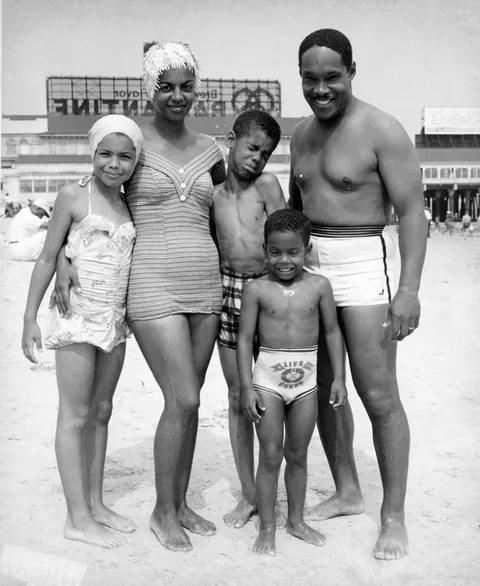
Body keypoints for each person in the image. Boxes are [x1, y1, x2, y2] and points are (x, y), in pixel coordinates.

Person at [55, 41, 227, 553]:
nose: (177, 95)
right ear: (149, 88)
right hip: (152, 284)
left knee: (191, 405)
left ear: (197, 88)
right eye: (166, 86)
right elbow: (88, 194)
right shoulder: (131, 141)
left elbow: (231, 208)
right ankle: (161, 509)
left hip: (207, 284)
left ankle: (180, 502)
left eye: (186, 86)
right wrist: (66, 252)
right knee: (185, 397)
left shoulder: (212, 151)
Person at [289, 29, 427, 561]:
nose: (320, 88)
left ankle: (392, 516)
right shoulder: (300, 135)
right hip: (311, 266)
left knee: (378, 394)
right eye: (310, 78)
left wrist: (409, 290)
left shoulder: (381, 129)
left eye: (331, 77)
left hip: (365, 262)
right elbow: (293, 210)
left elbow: (413, 213)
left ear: (351, 70)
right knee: (324, 387)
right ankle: (347, 490)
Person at [21, 115, 144, 548]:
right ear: (91, 152)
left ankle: (95, 504)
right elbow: (46, 255)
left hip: (114, 322)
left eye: (125, 155)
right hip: (75, 317)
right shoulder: (73, 195)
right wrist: (29, 316)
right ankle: (76, 518)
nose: (115, 163)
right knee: (74, 416)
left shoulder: (133, 202)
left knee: (102, 410)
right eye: (105, 154)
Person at [237, 209, 347, 556]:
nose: (283, 260)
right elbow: (243, 340)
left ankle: (296, 520)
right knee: (270, 455)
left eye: (293, 252)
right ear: (264, 248)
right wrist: (246, 386)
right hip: (267, 381)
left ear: (307, 249)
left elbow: (332, 331)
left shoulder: (318, 286)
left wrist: (339, 378)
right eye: (275, 251)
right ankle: (267, 526)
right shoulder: (256, 289)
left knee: (297, 454)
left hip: (307, 386)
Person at [211, 110, 287, 529]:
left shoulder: (267, 186)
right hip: (228, 291)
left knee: (270, 392)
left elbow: (289, 236)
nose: (257, 159)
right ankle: (247, 495)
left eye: (266, 153)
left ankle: (269, 491)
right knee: (239, 395)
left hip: (266, 287)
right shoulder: (213, 194)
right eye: (252, 147)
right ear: (231, 138)